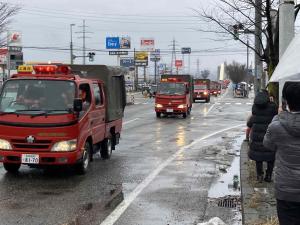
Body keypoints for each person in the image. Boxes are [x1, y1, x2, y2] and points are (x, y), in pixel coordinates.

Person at [264, 82, 300, 225]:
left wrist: (278, 117)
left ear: (285, 102)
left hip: (286, 191)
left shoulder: (276, 126)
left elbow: (268, 145)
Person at [247, 90, 278, 183]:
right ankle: (268, 176)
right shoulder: (273, 107)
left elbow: (250, 123)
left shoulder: (255, 107)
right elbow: (276, 117)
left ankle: (259, 175)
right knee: (270, 157)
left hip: (256, 137)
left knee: (258, 157)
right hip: (269, 136)